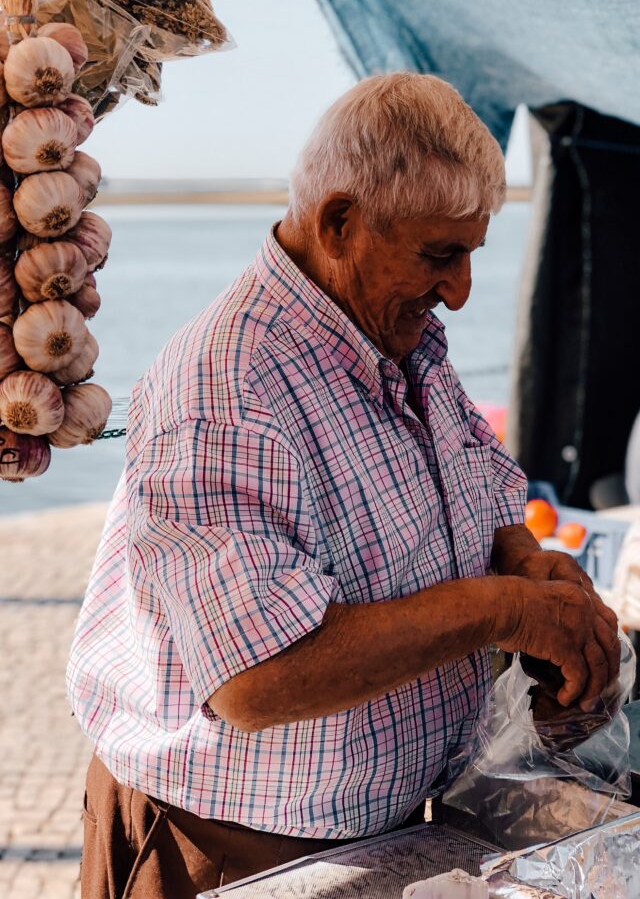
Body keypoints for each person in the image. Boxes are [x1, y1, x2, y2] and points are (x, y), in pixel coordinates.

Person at [68, 74, 620, 899]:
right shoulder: (223, 389)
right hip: (227, 848)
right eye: (440, 255)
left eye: (472, 253)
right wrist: (504, 609)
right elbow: (257, 679)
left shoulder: (397, 330)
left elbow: (481, 472)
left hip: (379, 829)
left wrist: (523, 560)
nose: (461, 291)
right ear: (338, 224)